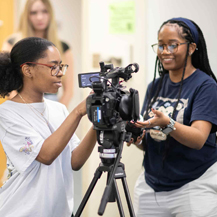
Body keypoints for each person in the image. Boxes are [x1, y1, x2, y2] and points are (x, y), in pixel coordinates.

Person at [128, 17, 217, 216]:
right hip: (151, 186)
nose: (165, 51)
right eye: (160, 45)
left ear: (192, 48)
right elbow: (148, 141)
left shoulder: (206, 86)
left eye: (172, 45)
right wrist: (136, 136)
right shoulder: (155, 86)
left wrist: (167, 124)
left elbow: (198, 139)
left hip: (194, 186)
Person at [0, 37, 96, 217]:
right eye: (53, 66)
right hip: (21, 211)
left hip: (59, 212)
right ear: (28, 70)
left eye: (61, 66)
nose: (60, 73)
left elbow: (74, 161)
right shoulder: (7, 113)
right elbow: (45, 155)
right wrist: (78, 112)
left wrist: (98, 125)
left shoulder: (59, 109)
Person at [1, 0, 73, 107]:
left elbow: (69, 90)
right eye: (34, 13)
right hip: (21, 102)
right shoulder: (12, 44)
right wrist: (20, 107)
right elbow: (7, 83)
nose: (39, 17)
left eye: (44, 11)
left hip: (53, 103)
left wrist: (58, 114)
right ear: (27, 15)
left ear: (50, 14)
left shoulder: (62, 47)